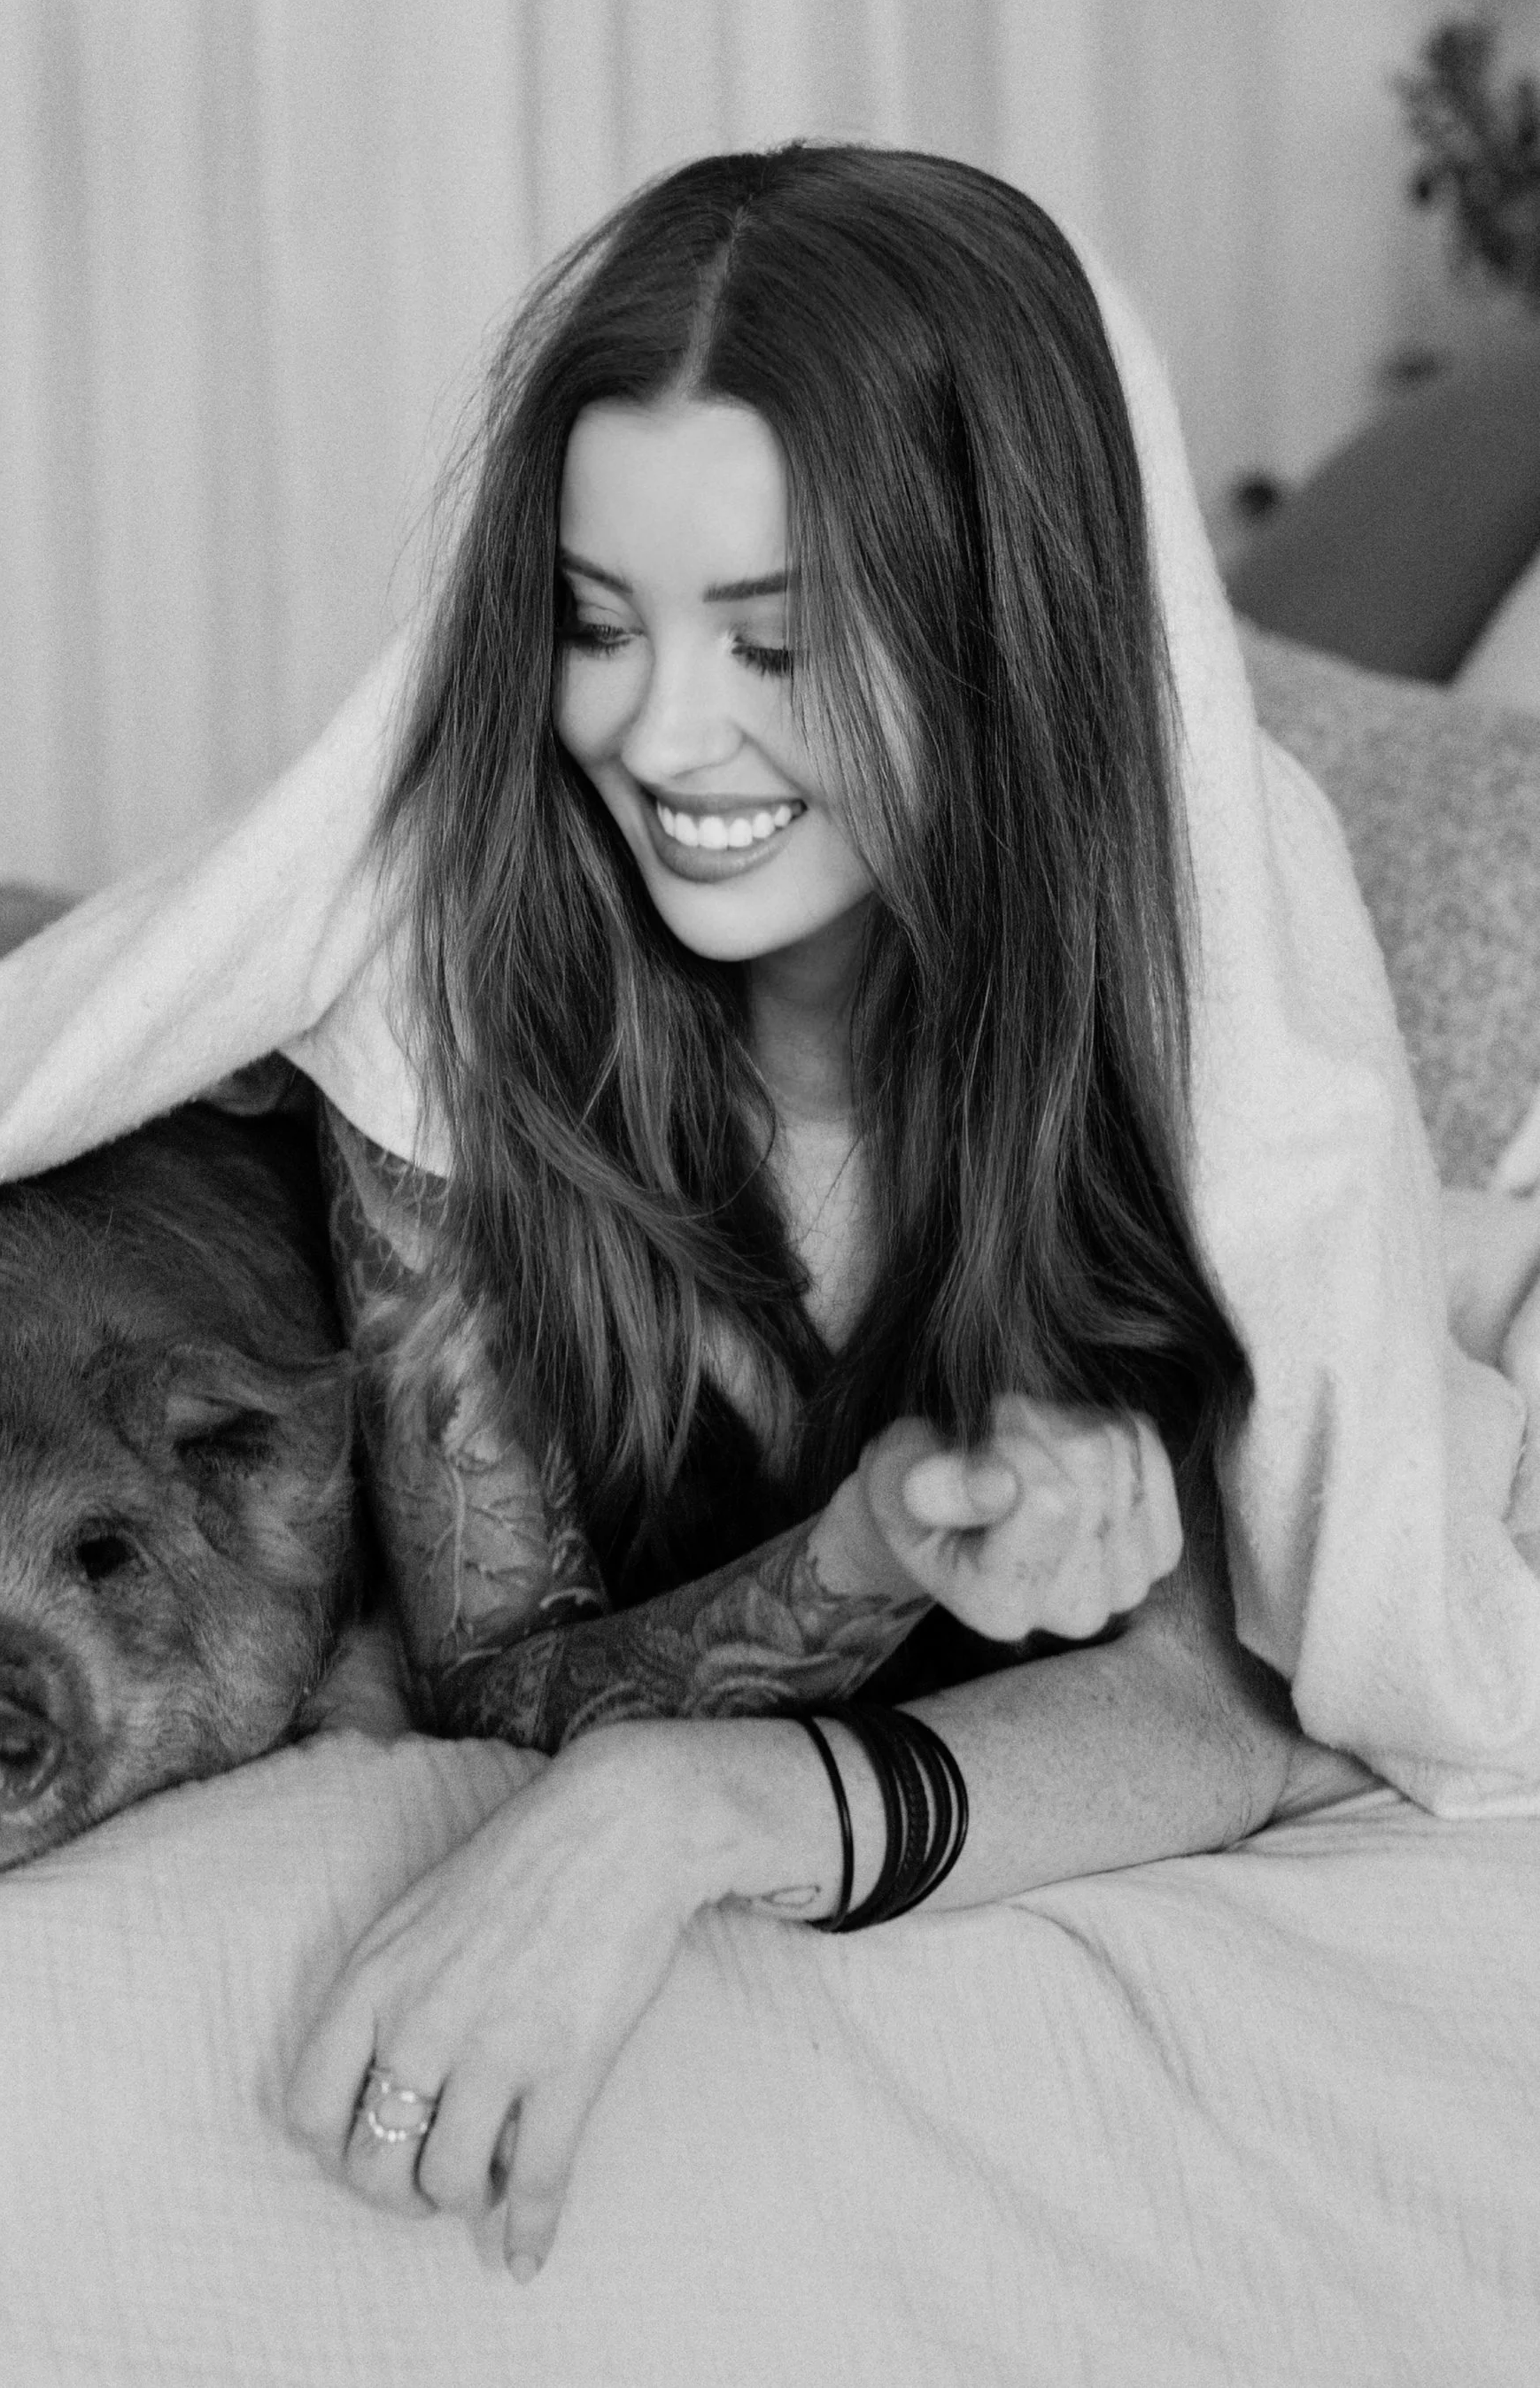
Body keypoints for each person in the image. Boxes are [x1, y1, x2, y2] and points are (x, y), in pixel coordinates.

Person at [283, 144, 1321, 2281]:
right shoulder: (445, 967)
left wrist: (691, 1811)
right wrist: (865, 1550)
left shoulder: (1190, 974)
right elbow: (490, 1677)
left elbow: (1241, 1689)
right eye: (593, 624)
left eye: (776, 640)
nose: (661, 732)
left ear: (994, 633)